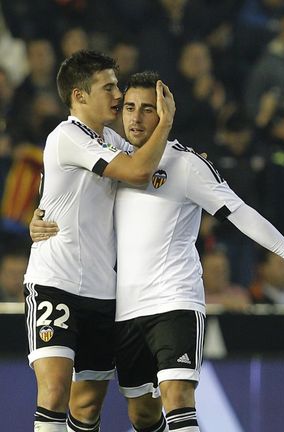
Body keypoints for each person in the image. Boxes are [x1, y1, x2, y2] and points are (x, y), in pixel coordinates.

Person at [37, 71, 284, 431]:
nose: (135, 117)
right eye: (129, 107)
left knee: (178, 400)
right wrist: (37, 221)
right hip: (126, 308)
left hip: (175, 300)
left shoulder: (187, 164)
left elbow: (239, 211)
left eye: (148, 109)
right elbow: (63, 191)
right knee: (142, 415)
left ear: (165, 113)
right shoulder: (115, 159)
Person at [23, 50, 175, 432]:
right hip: (55, 281)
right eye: (108, 87)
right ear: (79, 95)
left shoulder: (108, 139)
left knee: (88, 403)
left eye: (117, 85)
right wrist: (165, 122)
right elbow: (140, 171)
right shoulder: (66, 136)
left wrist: (192, 165)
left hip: (103, 290)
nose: (119, 95)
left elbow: (154, 164)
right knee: (55, 389)